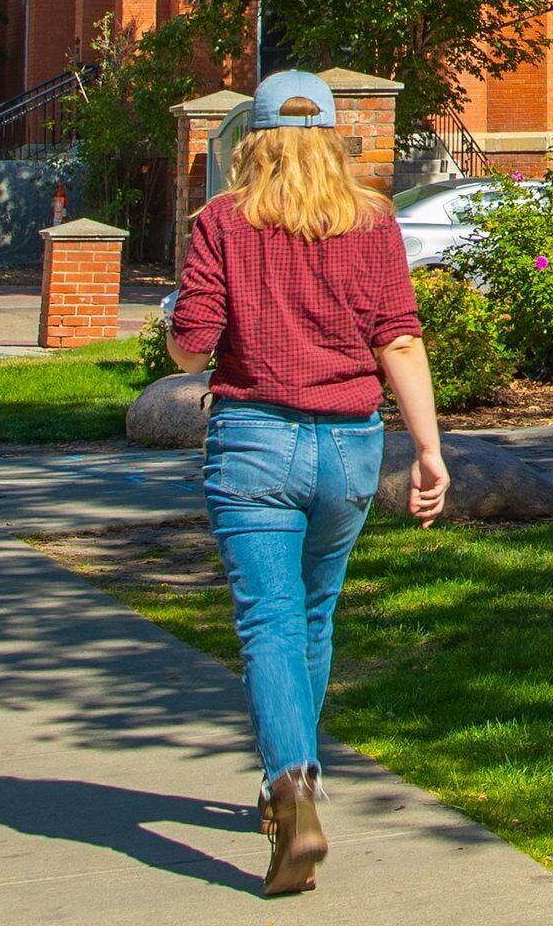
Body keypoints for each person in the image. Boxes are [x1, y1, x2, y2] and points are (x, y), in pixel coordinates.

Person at [163, 71, 448, 897]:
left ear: (251, 141)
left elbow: (191, 349)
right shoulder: (373, 223)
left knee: (269, 624)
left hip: (254, 442)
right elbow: (399, 338)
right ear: (332, 139)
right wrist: (429, 452)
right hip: (352, 448)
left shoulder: (222, 221)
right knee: (313, 613)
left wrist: (183, 310)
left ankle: (290, 785)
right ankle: (300, 779)